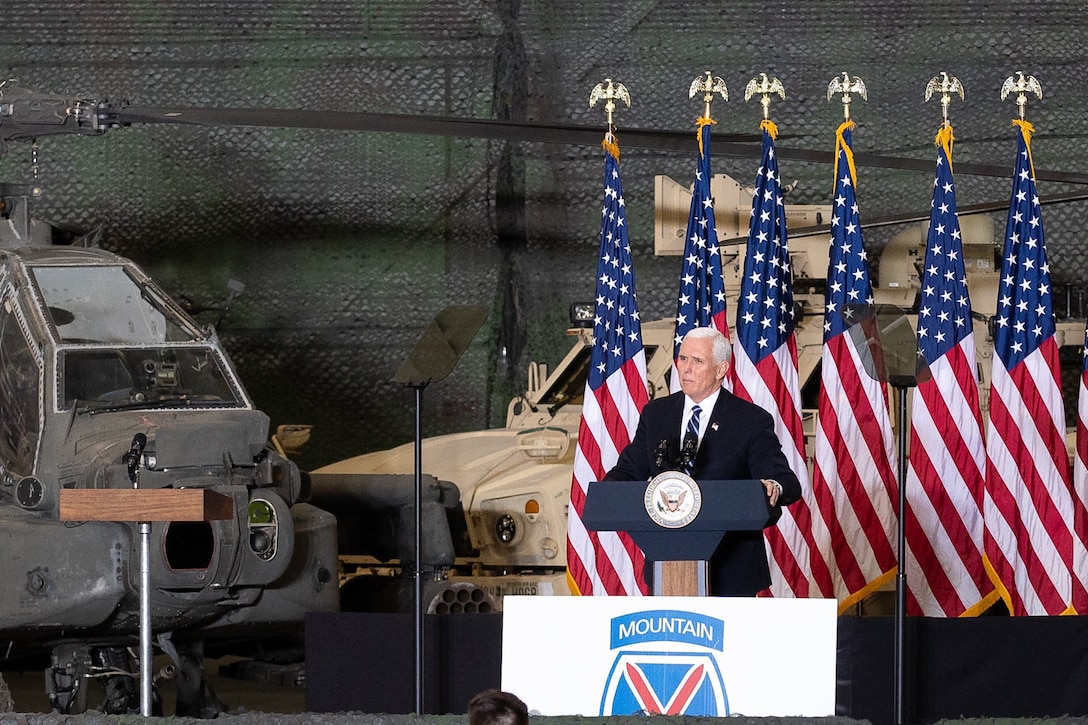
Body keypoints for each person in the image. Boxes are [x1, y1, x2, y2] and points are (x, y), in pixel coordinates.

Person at [603, 326, 802, 596]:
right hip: (668, 563)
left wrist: (773, 486)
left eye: (697, 361)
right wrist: (607, 494)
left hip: (731, 567)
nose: (686, 369)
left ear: (721, 370)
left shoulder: (751, 420)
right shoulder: (657, 414)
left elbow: (785, 480)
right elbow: (628, 470)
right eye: (683, 359)